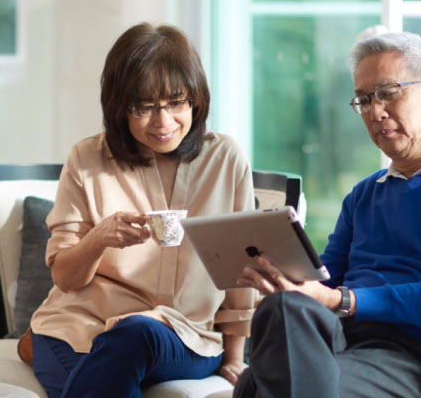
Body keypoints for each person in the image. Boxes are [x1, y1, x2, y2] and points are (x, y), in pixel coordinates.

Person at [234, 29, 421, 398]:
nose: (375, 111)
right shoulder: (365, 193)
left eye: (389, 93)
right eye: (363, 100)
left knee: (256, 387)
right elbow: (325, 281)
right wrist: (289, 282)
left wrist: (345, 300)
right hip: (343, 340)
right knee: (283, 307)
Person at [24, 22, 258, 397]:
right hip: (78, 325)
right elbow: (66, 280)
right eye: (145, 107)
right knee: (102, 375)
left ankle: (37, 351)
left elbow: (239, 268)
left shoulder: (225, 159)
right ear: (119, 108)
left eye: (176, 103)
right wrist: (98, 239)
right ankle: (41, 346)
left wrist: (234, 356)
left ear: (195, 99)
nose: (164, 123)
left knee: (135, 335)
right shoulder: (86, 159)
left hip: (183, 336)